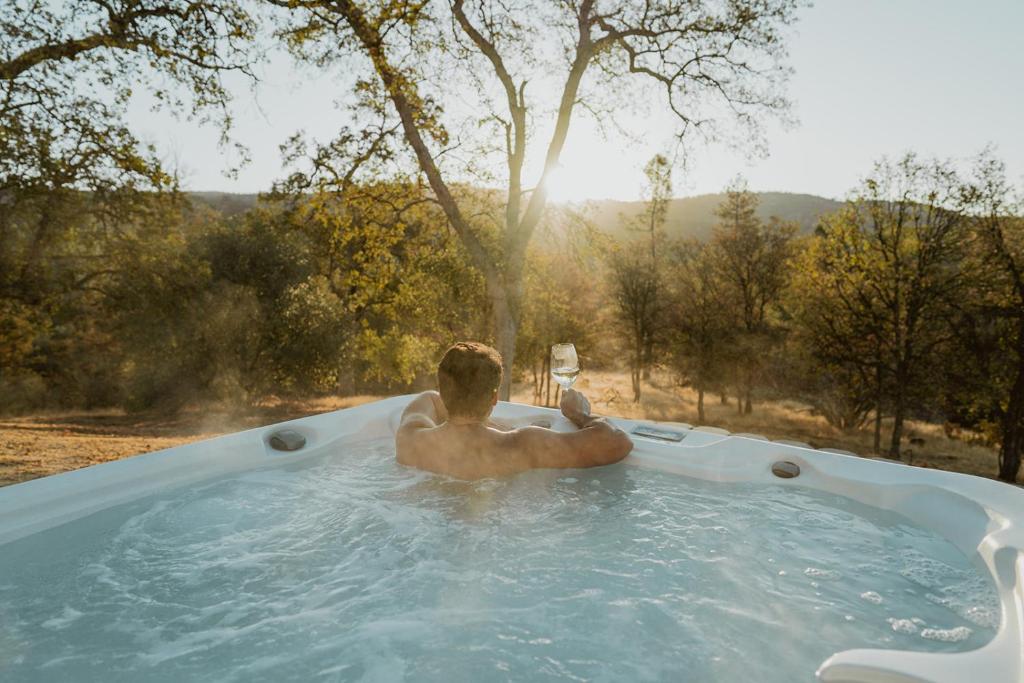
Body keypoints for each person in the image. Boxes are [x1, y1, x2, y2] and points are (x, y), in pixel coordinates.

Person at [396, 341, 633, 479]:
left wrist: (461, 403)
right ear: (495, 397)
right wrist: (578, 413)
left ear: (443, 390)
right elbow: (617, 443)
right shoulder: (521, 445)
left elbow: (429, 398)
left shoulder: (411, 441)